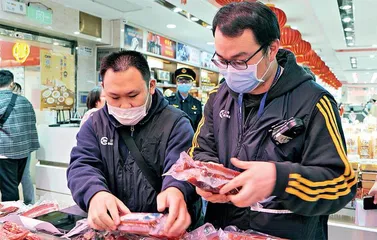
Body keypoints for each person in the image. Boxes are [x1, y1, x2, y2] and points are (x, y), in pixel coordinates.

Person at [190, 2, 356, 239]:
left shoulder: (314, 102)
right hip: (223, 231)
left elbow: (341, 183)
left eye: (240, 61)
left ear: (272, 49)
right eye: (222, 61)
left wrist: (280, 179)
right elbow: (200, 151)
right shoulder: (218, 98)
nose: (230, 71)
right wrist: (208, 179)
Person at [67, 51, 200, 238]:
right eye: (114, 97)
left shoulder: (176, 123)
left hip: (163, 229)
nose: (124, 106)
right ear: (103, 89)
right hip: (112, 229)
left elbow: (183, 166)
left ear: (151, 86)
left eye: (133, 95)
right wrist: (94, 193)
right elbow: (82, 164)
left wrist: (176, 189)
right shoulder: (95, 124)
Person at [0, 70, 39, 202]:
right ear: (11, 84)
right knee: (15, 183)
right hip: (24, 150)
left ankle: (11, 218)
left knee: (9, 189)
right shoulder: (24, 101)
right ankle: (21, 211)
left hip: (4, 152)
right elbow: (32, 122)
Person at [10, 83, 35, 204]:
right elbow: (32, 122)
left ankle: (14, 206)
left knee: (10, 179)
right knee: (25, 175)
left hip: (9, 147)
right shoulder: (25, 103)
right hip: (25, 145)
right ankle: (29, 203)